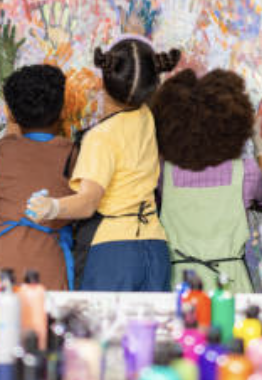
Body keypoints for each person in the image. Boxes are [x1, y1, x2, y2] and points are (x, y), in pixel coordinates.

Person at [26, 36, 180, 292]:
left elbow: (87, 203)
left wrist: (51, 207)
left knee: (104, 332)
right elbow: (135, 81)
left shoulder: (101, 137)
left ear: (102, 81)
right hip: (155, 246)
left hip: (115, 253)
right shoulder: (146, 118)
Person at [150, 68, 262, 293]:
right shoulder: (247, 172)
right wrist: (260, 146)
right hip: (230, 285)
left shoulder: (163, 173)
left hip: (179, 286)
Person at [0, 64, 75, 290]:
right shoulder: (74, 152)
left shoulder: (3, 149)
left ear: (11, 114)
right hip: (45, 262)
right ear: (63, 111)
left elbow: (18, 137)